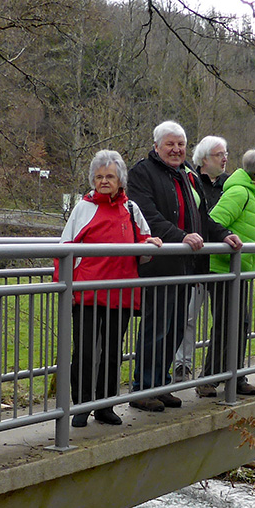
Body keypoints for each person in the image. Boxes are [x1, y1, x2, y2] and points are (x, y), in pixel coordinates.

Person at [128, 121, 241, 413]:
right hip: (160, 265)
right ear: (156, 146)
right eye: (170, 144)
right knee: (156, 327)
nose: (176, 149)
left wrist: (221, 234)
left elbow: (201, 216)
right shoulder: (143, 173)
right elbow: (147, 215)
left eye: (181, 144)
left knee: (176, 327)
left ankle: (161, 385)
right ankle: (143, 388)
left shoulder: (187, 174)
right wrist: (179, 237)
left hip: (186, 266)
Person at [59, 151, 162, 427]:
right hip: (88, 293)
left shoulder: (131, 210)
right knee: (84, 351)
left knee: (113, 351)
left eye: (110, 177)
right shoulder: (83, 208)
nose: (104, 181)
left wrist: (150, 244)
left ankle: (105, 405)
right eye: (99, 176)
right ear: (93, 180)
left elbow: (145, 243)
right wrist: (64, 287)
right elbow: (64, 248)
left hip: (121, 293)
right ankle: (81, 405)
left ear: (120, 181)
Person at [198, 149, 255, 397]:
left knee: (240, 323)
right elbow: (214, 221)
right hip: (223, 269)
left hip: (239, 269)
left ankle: (235, 374)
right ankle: (209, 378)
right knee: (226, 322)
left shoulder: (249, 193)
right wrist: (228, 244)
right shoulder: (240, 192)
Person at [172, 135, 228, 382]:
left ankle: (218, 371)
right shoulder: (191, 182)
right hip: (195, 260)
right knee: (188, 316)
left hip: (222, 263)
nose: (225, 158)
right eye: (219, 154)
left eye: (226, 154)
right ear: (204, 159)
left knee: (224, 318)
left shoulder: (229, 185)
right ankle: (182, 365)